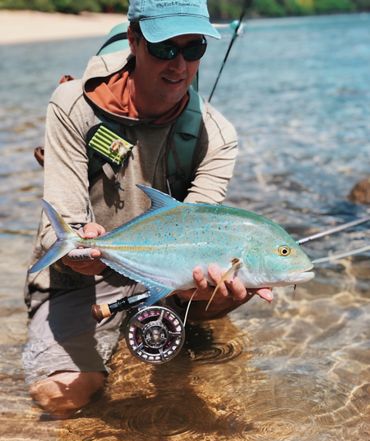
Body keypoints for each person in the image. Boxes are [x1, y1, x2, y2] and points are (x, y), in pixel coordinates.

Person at [24, 0, 272, 419]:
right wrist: (81, 251)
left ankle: (186, 318)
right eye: (164, 49)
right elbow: (59, 227)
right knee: (61, 397)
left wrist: (201, 284)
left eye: (193, 49)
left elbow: (197, 229)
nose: (179, 64)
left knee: (239, 278)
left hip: (170, 272)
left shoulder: (218, 135)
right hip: (85, 277)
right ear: (135, 41)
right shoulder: (72, 105)